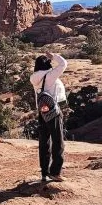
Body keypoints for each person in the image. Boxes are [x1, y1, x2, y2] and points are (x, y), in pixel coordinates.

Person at [30, 52, 67, 183]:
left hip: (42, 111)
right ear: (48, 64)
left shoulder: (34, 77)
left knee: (44, 142)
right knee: (58, 141)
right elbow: (63, 64)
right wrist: (53, 56)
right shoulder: (50, 76)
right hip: (52, 111)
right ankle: (55, 172)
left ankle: (44, 172)